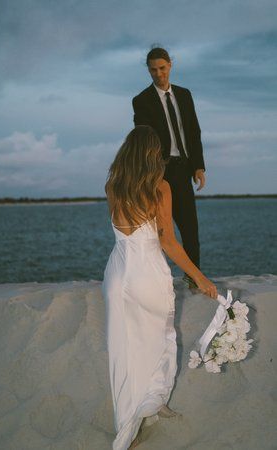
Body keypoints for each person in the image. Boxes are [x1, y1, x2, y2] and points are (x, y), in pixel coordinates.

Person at [102, 126, 217, 449]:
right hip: (145, 273)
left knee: (124, 350)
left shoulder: (112, 185)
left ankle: (129, 421)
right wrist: (199, 277)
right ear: (153, 155)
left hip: (115, 275)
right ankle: (153, 403)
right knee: (160, 337)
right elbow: (167, 242)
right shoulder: (159, 188)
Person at [132, 47, 205, 286]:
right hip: (158, 172)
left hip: (183, 168)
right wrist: (150, 173)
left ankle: (194, 278)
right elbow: (143, 139)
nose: (158, 74)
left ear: (170, 65)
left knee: (190, 228)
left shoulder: (184, 95)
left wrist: (198, 166)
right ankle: (154, 279)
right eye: (153, 70)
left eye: (162, 68)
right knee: (157, 231)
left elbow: (193, 132)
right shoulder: (141, 101)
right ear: (148, 70)